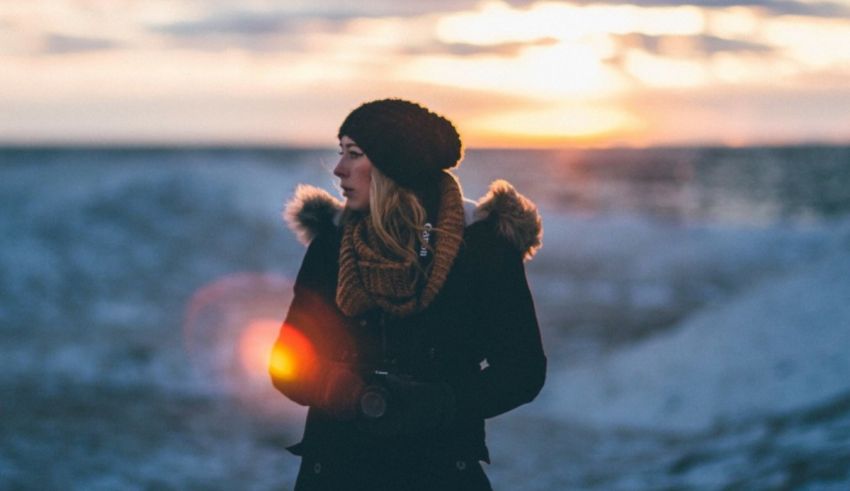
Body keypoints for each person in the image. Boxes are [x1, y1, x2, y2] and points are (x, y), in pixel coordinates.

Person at [269, 98, 546, 491]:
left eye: (354, 154)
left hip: (441, 470)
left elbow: (523, 370)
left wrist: (442, 402)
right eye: (340, 153)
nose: (338, 169)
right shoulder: (332, 245)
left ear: (394, 166)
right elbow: (285, 361)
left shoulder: (483, 247)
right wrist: (337, 388)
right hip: (337, 469)